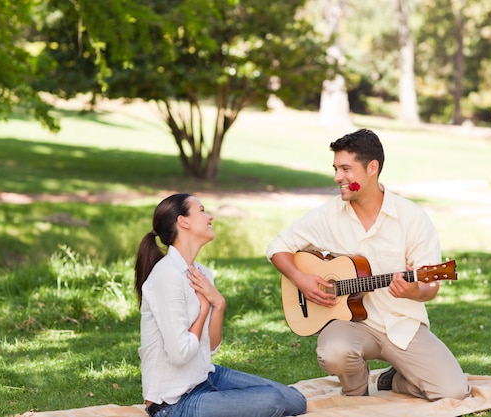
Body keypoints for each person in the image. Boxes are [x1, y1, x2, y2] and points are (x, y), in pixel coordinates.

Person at [267, 129, 470, 400]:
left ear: (372, 168)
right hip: (349, 323)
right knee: (334, 352)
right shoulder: (328, 215)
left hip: (402, 324)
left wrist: (414, 291)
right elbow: (277, 248)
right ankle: (356, 390)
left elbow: (429, 284)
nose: (338, 177)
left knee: (453, 392)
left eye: (346, 169)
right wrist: (300, 278)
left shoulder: (412, 218)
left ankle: (394, 379)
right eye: (336, 168)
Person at [135, 193, 307, 417]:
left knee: (296, 401)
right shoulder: (167, 275)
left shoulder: (201, 273)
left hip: (204, 377)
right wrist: (204, 308)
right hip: (173, 403)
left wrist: (219, 304)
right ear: (183, 221)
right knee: (272, 401)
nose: (210, 217)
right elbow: (180, 354)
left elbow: (210, 346)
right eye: (202, 210)